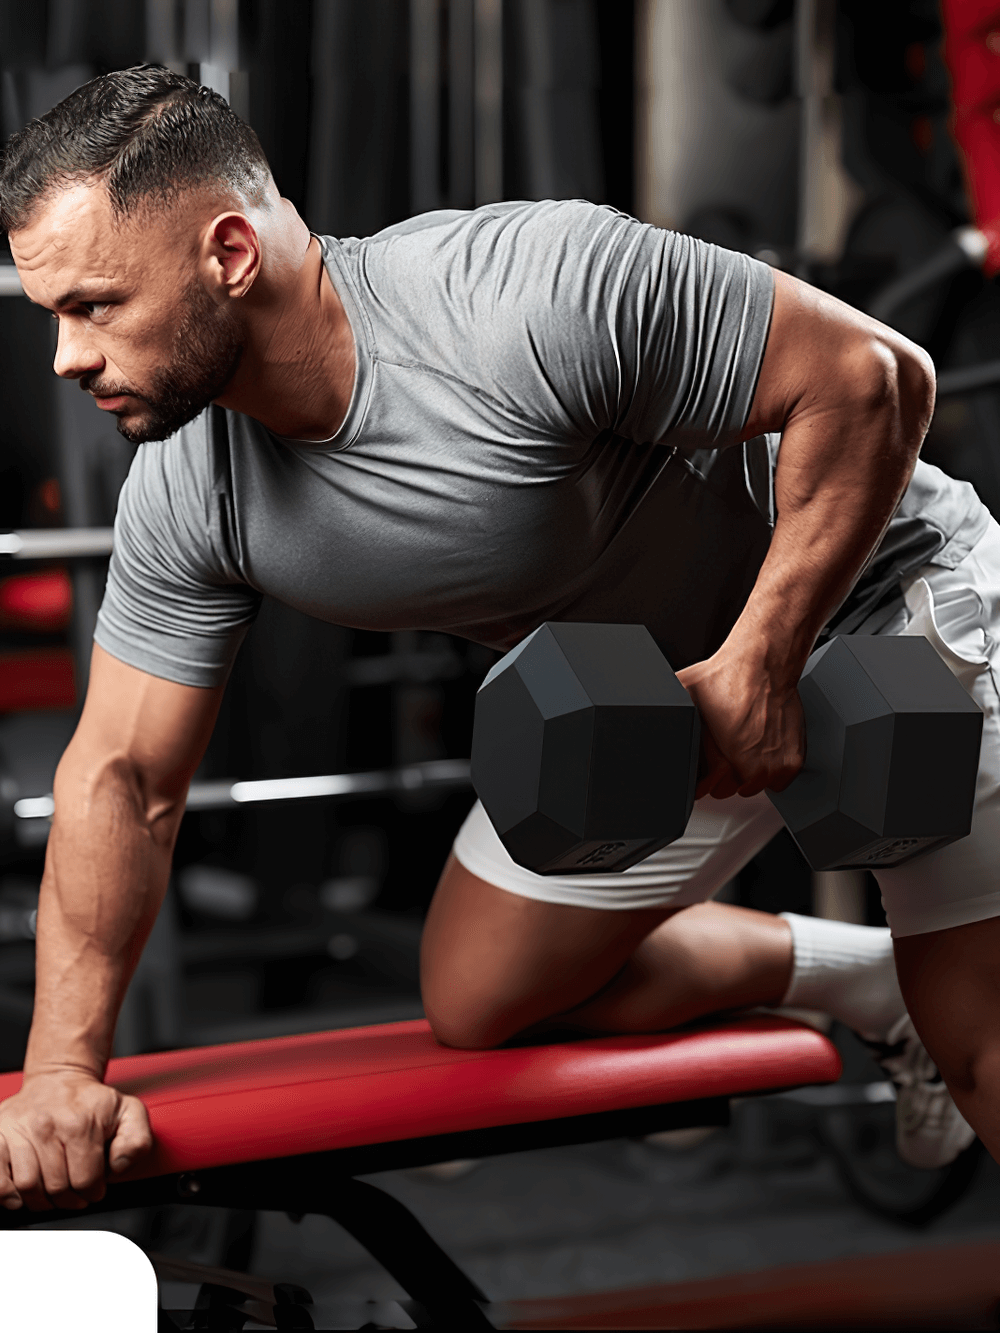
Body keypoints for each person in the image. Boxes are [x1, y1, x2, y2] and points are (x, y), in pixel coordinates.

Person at [0, 64, 992, 1214]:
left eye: (95, 306)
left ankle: (943, 1007)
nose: (67, 356)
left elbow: (873, 380)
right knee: (481, 994)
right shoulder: (192, 490)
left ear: (228, 255)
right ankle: (874, 987)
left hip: (879, 595)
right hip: (664, 697)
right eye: (53, 315)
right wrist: (65, 1071)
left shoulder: (522, 293)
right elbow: (123, 775)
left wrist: (765, 657)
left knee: (987, 1047)